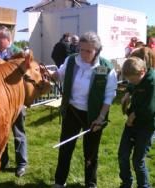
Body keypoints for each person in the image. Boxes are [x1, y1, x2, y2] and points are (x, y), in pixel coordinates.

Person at [50, 31, 118, 188]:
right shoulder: (71, 60)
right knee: (66, 148)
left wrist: (101, 118)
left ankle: (91, 183)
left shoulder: (106, 67)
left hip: (94, 115)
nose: (84, 54)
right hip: (72, 111)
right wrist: (52, 75)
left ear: (97, 51)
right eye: (81, 49)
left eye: (89, 51)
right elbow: (60, 74)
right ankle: (60, 181)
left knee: (91, 152)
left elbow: (109, 95)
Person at [0, 25, 27, 177]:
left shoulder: (19, 54)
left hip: (16, 100)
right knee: (1, 132)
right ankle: (3, 161)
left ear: (7, 39)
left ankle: (21, 164)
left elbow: (27, 76)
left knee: (18, 132)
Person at [118, 57, 155, 188]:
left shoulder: (151, 82)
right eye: (129, 79)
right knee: (122, 154)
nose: (131, 82)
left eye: (133, 79)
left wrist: (133, 116)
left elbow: (150, 109)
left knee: (137, 160)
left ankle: (143, 185)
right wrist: (128, 93)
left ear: (142, 71)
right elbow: (132, 85)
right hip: (132, 124)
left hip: (146, 126)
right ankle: (126, 182)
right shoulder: (136, 77)